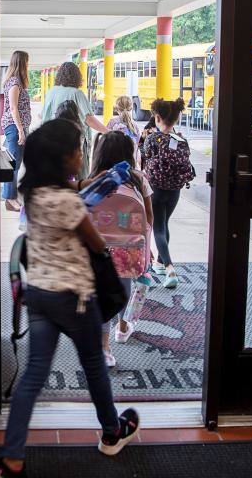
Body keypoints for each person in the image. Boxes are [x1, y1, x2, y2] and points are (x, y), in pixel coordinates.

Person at [0, 119, 140, 478]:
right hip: (75, 298)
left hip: (40, 296)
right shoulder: (69, 203)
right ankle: (111, 432)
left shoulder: (37, 195)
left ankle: (11, 459)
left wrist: (92, 185)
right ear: (62, 159)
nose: (81, 154)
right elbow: (96, 243)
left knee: (33, 376)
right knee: (94, 366)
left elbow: (71, 196)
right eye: (77, 149)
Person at [89, 131, 154, 368]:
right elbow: (149, 218)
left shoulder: (95, 178)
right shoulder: (138, 178)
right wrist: (146, 247)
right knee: (123, 289)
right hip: (129, 247)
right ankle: (123, 326)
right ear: (129, 152)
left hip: (99, 248)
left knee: (104, 295)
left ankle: (104, 348)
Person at [140, 98, 194, 290]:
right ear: (177, 119)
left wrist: (144, 138)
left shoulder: (153, 139)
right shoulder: (181, 140)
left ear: (157, 117)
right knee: (164, 224)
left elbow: (144, 155)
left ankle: (169, 268)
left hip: (156, 190)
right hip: (175, 191)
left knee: (159, 229)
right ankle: (160, 264)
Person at [41, 61, 110, 179]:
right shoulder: (77, 93)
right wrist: (108, 132)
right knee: (81, 176)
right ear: (76, 76)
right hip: (75, 141)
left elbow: (43, 116)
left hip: (53, 140)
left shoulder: (51, 92)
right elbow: (89, 119)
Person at [1, 50, 32, 212]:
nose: (28, 65)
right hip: (14, 127)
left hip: (16, 127)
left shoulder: (16, 81)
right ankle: (9, 198)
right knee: (13, 164)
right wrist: (21, 131)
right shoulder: (14, 82)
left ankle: (9, 194)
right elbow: (13, 108)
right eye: (26, 62)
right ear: (21, 63)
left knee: (13, 162)